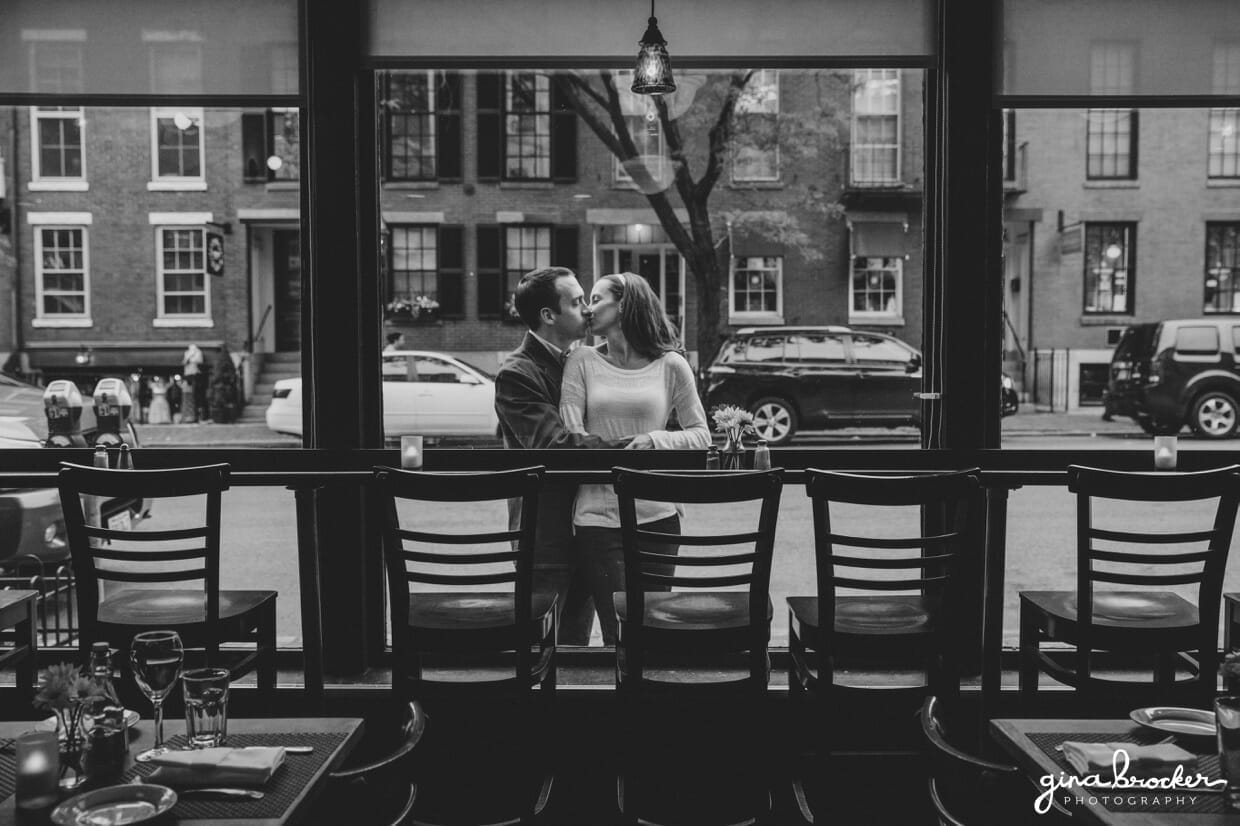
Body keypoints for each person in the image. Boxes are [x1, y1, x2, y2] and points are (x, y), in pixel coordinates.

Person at [560, 272, 711, 646]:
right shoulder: (581, 360)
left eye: (596, 299)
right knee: (619, 634)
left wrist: (654, 439)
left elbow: (701, 435)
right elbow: (571, 434)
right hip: (597, 517)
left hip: (658, 517)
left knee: (656, 629)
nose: (587, 309)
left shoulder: (671, 365)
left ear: (624, 305)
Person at [494, 266, 628, 647]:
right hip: (545, 536)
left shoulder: (584, 361)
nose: (587, 309)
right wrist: (631, 448)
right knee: (543, 650)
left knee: (576, 650)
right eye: (576, 301)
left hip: (590, 529)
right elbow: (555, 447)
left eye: (588, 299)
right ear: (548, 316)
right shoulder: (517, 373)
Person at [182, 344, 204, 423]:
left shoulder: (198, 352)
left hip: (194, 373)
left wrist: (191, 360)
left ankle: (198, 416)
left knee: (196, 395)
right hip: (188, 373)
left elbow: (199, 360)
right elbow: (184, 361)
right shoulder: (187, 352)